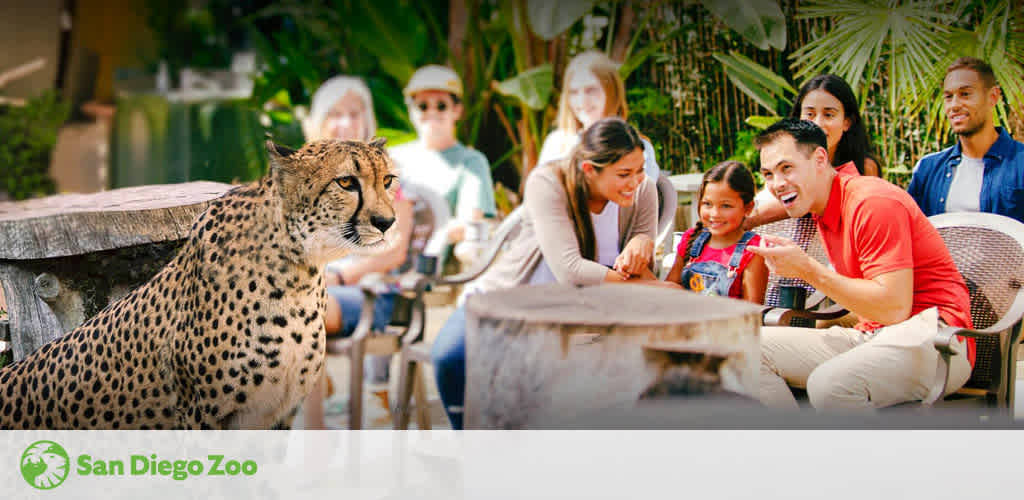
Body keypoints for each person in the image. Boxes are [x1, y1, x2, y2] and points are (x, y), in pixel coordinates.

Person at [432, 117, 665, 429]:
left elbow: (642, 254)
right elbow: (571, 270)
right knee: (450, 355)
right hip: (512, 300)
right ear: (589, 170)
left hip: (580, 316)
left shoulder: (642, 190)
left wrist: (642, 241)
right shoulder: (548, 182)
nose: (636, 181)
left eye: (640, 170)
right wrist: (642, 284)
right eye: (624, 173)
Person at [746, 118, 975, 411]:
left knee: (828, 386)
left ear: (819, 159)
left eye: (786, 168)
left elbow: (893, 308)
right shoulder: (823, 203)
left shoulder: (872, 202)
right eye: (768, 174)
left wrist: (806, 269)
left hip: (937, 340)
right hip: (873, 335)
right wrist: (743, 219)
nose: (776, 184)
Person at [299, 75, 415, 429]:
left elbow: (394, 251)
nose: (345, 122)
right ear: (320, 122)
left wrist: (338, 275)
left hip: (374, 294)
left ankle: (314, 436)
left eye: (354, 113)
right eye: (335, 113)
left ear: (367, 120)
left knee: (303, 310)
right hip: (320, 288)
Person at [746, 74, 880, 228]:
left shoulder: (864, 167)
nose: (817, 123)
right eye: (810, 114)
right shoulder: (783, 162)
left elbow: (818, 198)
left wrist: (747, 219)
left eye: (828, 115)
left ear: (847, 122)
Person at [388, 65, 498, 250]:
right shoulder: (391, 157)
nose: (432, 112)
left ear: (457, 110)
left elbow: (469, 224)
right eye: (423, 106)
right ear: (411, 111)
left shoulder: (471, 163)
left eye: (441, 106)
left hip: (438, 267)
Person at [908, 57, 1024, 221]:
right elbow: (913, 233)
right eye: (948, 97)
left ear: (993, 96)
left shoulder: (1020, 163)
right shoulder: (928, 169)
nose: (954, 105)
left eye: (965, 94)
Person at [537, 50, 660, 180]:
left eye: (591, 90)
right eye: (574, 92)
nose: (582, 101)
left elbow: (641, 196)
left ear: (611, 92)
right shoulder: (556, 143)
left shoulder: (638, 147)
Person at [665, 161, 768, 303]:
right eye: (707, 204)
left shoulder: (753, 250)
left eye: (726, 206)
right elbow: (669, 289)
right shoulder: (691, 239)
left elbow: (751, 312)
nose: (715, 214)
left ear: (748, 208)